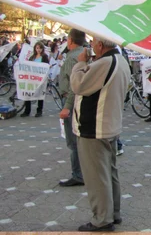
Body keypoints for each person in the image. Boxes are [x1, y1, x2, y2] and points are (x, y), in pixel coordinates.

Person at [71, 36, 131, 232]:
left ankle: (102, 219)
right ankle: (113, 213)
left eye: (94, 42)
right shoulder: (119, 60)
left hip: (95, 127)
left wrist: (80, 63)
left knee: (97, 176)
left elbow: (79, 85)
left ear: (100, 44)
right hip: (108, 125)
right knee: (109, 173)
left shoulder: (105, 62)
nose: (91, 46)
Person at [58, 29, 86, 187]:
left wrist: (67, 107)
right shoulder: (84, 54)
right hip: (80, 101)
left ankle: (78, 174)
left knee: (73, 141)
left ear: (70, 40)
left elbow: (73, 85)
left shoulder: (72, 57)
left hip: (71, 101)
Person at [20, 41, 49, 117]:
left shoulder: (45, 57)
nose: (39, 50)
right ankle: (27, 111)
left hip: (40, 78)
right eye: (37, 48)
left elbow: (46, 66)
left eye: (40, 48)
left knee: (40, 94)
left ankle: (39, 111)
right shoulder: (32, 57)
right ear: (35, 48)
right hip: (32, 78)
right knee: (28, 93)